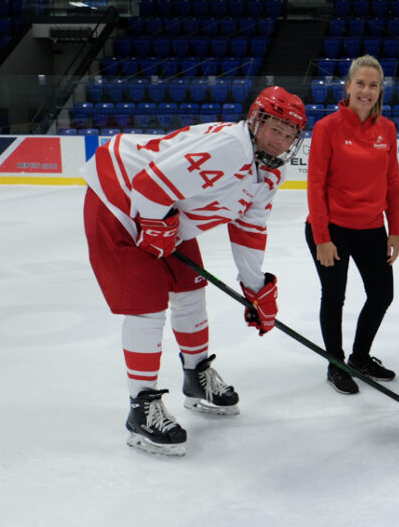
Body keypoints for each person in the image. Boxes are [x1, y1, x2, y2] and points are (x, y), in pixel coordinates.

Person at [80, 86, 306, 457]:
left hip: (166, 210)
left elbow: (249, 230)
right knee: (147, 306)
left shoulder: (268, 174)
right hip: (120, 199)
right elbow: (148, 184)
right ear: (256, 121)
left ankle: (196, 377)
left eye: (289, 133)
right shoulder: (231, 148)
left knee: (190, 289)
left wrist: (255, 288)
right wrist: (154, 224)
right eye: (274, 128)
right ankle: (141, 408)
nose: (280, 139)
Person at [305, 54, 399, 395]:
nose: (366, 90)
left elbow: (392, 184)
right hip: (332, 229)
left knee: (382, 294)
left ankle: (359, 357)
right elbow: (315, 186)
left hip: (372, 228)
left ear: (380, 90)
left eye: (373, 85)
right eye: (360, 83)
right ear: (347, 86)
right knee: (334, 296)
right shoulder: (327, 128)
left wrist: (395, 231)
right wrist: (322, 237)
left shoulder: (387, 129)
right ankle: (336, 362)